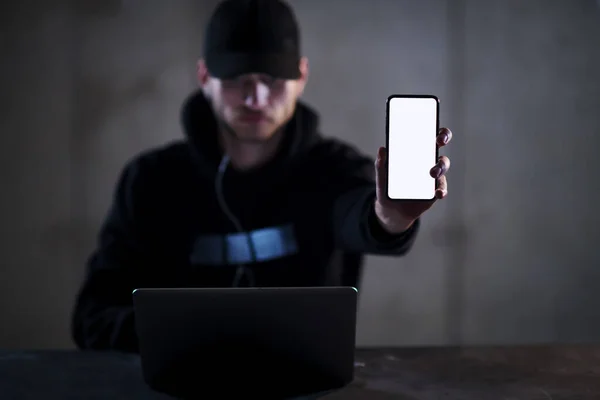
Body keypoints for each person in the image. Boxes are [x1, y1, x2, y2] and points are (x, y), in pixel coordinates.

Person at [71, 0, 452, 353]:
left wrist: (393, 216)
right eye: (237, 79)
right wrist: (178, 335)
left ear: (301, 76)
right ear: (204, 77)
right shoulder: (150, 182)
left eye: (273, 79)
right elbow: (92, 318)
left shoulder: (334, 170)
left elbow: (361, 216)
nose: (256, 98)